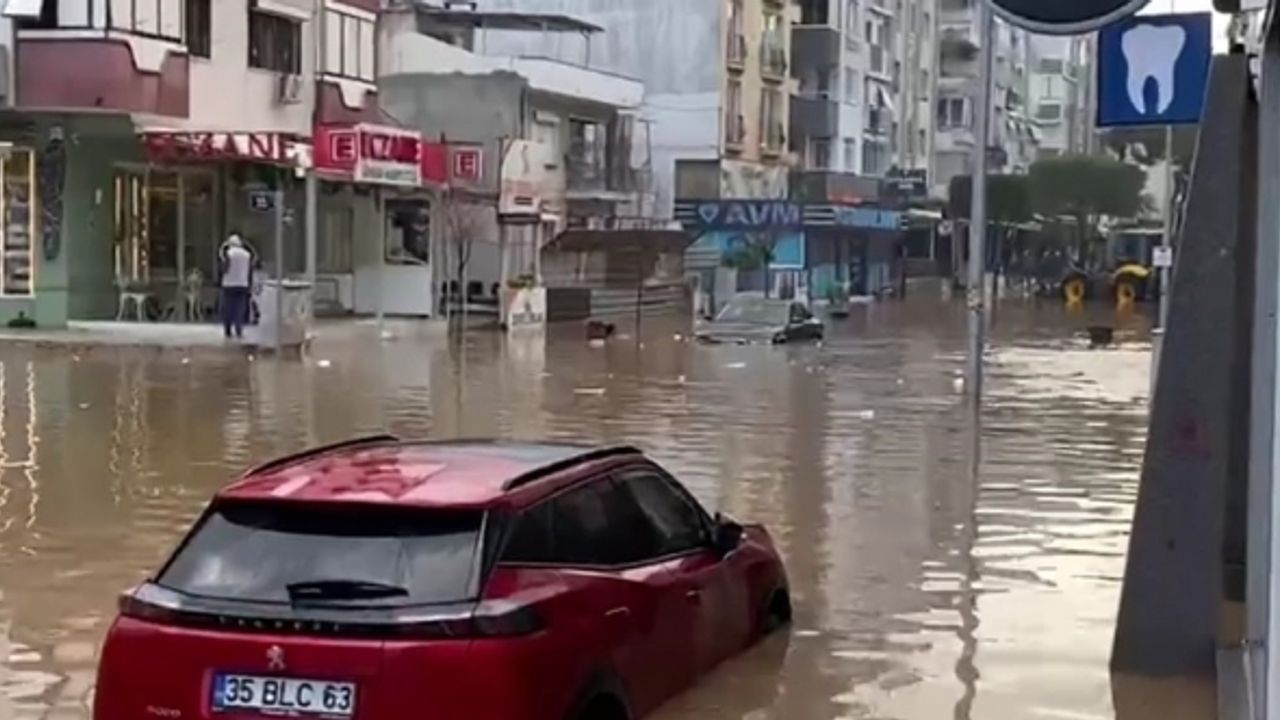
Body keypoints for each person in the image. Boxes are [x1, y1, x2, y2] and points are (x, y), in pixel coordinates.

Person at [219, 233, 254, 339]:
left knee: (228, 307)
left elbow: (225, 268)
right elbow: (250, 270)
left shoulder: (228, 253)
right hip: (242, 284)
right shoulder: (247, 255)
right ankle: (239, 329)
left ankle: (228, 330)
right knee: (240, 307)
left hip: (229, 284)